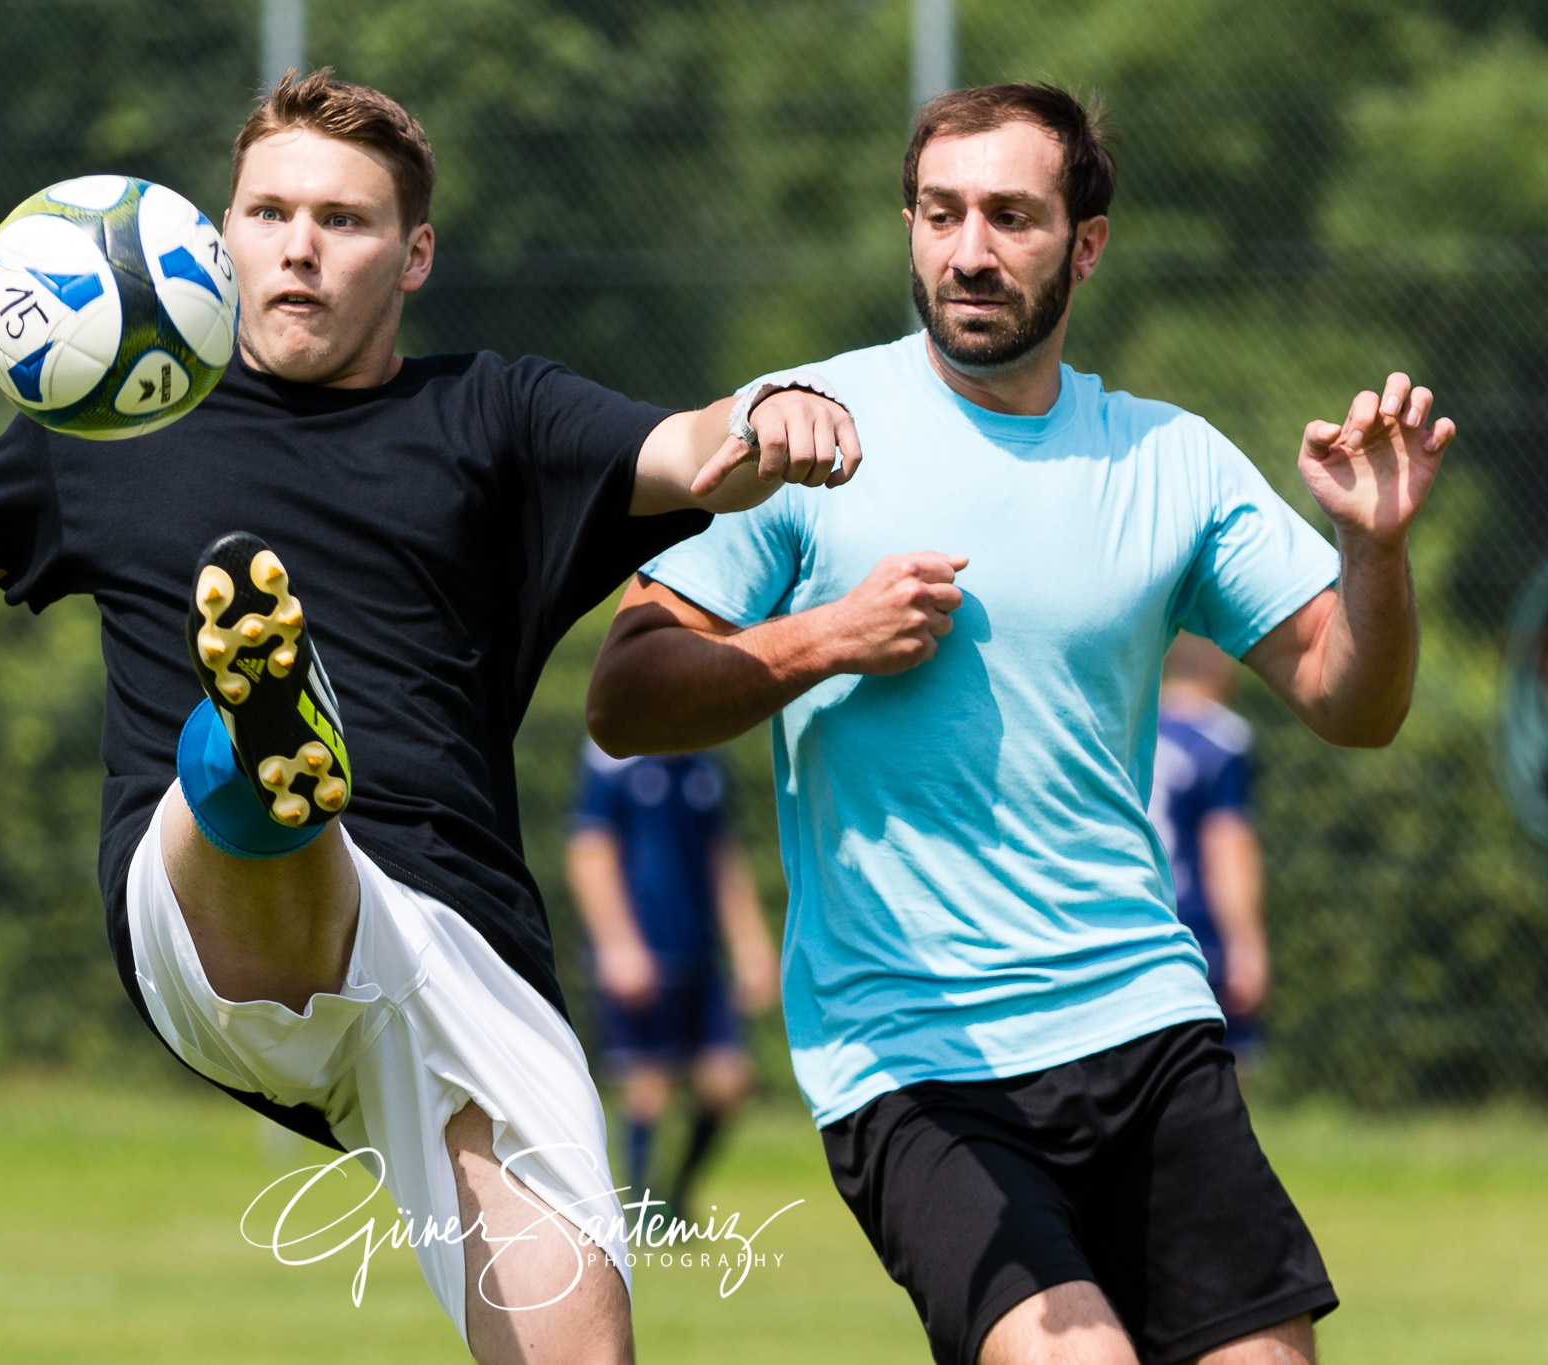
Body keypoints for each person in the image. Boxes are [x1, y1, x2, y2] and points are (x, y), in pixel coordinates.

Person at [0, 71, 857, 1363]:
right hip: (204, 902)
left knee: (583, 1346)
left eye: (343, 220)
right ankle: (259, 739)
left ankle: (271, 741)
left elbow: (692, 448)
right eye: (269, 212)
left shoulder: (493, 413)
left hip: (458, 938)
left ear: (413, 255)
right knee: (260, 803)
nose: (299, 247)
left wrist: (770, 411)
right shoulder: (109, 423)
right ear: (220, 235)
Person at [585, 83, 1454, 1365]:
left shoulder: (1169, 461)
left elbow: (1352, 702)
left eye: (1009, 215)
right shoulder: (807, 427)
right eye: (939, 213)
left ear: (1083, 245)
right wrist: (825, 637)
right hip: (910, 1052)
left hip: (1142, 1017)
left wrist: (1371, 552)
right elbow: (623, 694)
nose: (968, 250)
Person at [564, 741, 777, 1219]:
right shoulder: (613, 758)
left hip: (699, 954)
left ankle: (676, 1196)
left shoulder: (705, 764)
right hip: (642, 951)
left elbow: (723, 857)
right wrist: (617, 944)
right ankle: (640, 1208)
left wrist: (750, 944)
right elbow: (590, 851)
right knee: (648, 1085)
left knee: (728, 1081)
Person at [1151, 633, 1267, 1057]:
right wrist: (1246, 944)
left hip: (1126, 922)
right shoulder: (1221, 738)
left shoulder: (1129, 729)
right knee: (1218, 1074)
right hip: (1195, 929)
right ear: (1220, 667)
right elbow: (1226, 845)